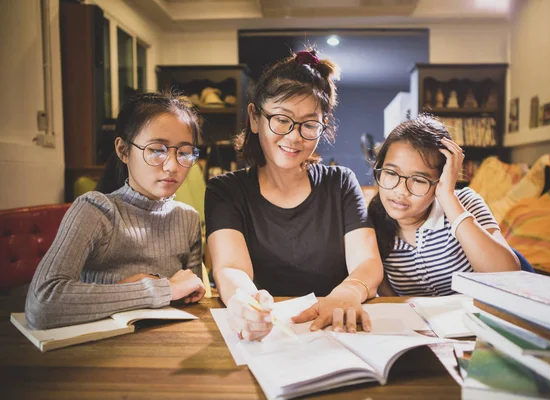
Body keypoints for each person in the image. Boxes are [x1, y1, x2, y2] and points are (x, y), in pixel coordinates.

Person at [205, 49, 383, 341]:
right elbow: (232, 268)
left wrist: (346, 294)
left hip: (335, 330)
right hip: (270, 335)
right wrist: (248, 305)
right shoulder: (226, 191)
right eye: (281, 120)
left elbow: (367, 262)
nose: (294, 137)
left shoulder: (340, 183)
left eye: (309, 124)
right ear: (254, 117)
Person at [25, 92, 206, 329]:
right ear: (123, 150)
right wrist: (160, 289)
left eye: (183, 153)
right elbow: (42, 303)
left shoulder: (188, 219)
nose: (172, 166)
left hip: (166, 347)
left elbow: (190, 300)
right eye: (157, 150)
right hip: (97, 350)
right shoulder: (95, 210)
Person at [368, 115, 521, 297]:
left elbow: (508, 276)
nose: (401, 190)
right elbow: (389, 300)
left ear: (442, 178)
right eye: (391, 173)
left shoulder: (465, 202)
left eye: (418, 179)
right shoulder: (372, 219)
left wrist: (447, 197)